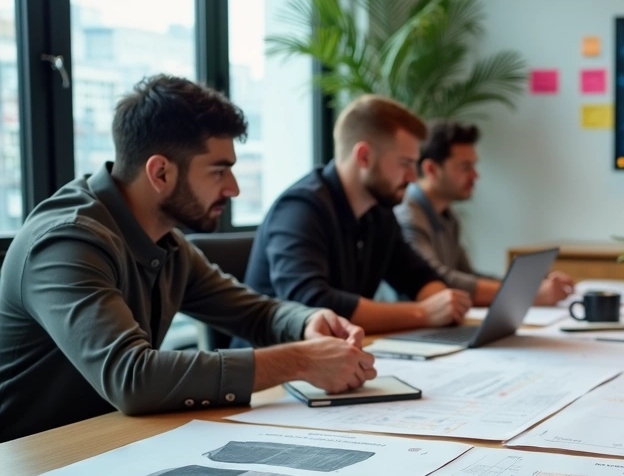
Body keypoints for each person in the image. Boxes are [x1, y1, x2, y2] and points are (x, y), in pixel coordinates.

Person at [0, 75, 375, 443]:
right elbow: (133, 378)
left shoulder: (167, 243)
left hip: (111, 446)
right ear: (160, 172)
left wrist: (308, 322)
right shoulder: (67, 241)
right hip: (29, 468)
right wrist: (301, 360)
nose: (234, 188)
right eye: (219, 170)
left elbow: (256, 313)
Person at [244, 96, 472, 336]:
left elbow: (418, 276)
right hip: (276, 364)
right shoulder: (300, 208)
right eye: (405, 163)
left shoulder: (378, 212)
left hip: (336, 359)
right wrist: (423, 313)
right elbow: (312, 303)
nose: (413, 177)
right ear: (363, 156)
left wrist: (443, 304)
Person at [397, 121, 573, 307]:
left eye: (474, 166)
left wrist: (532, 285)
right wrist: (526, 294)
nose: (475, 175)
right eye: (465, 167)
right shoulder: (408, 215)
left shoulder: (448, 216)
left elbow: (468, 275)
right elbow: (434, 279)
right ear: (431, 169)